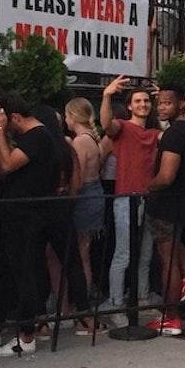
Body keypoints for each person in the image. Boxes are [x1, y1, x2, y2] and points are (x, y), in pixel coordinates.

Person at [0, 94, 59, 357]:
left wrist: (0, 129)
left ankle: (26, 336)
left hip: (26, 215)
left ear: (14, 117)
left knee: (24, 271)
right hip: (23, 213)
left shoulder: (36, 137)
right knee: (11, 270)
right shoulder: (39, 137)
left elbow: (6, 164)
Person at [144, 85, 185, 336]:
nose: (162, 107)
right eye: (160, 103)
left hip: (167, 203)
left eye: (167, 103)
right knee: (176, 247)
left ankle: (171, 317)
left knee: (167, 259)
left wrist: (148, 187)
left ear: (181, 104)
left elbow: (166, 176)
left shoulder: (174, 134)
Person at [99, 76, 160, 318]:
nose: (143, 104)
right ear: (130, 106)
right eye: (138, 101)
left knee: (145, 253)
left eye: (146, 100)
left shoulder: (156, 132)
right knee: (124, 253)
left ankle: (142, 297)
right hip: (126, 198)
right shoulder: (122, 127)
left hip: (149, 198)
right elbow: (106, 125)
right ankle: (116, 301)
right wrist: (106, 95)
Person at [65, 98, 104, 303]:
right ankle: (85, 294)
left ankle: (82, 297)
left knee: (81, 253)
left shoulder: (80, 141)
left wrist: (68, 198)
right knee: (85, 250)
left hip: (84, 196)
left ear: (73, 116)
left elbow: (77, 177)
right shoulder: (93, 139)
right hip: (95, 192)